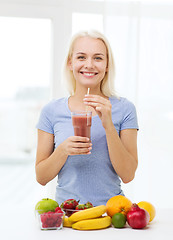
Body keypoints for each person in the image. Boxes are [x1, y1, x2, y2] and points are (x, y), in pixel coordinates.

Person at [35, 30, 139, 206]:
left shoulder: (124, 109)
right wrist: (62, 150)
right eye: (81, 57)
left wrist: (108, 126)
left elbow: (128, 175)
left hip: (112, 214)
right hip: (68, 215)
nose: (89, 65)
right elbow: (41, 177)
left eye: (98, 58)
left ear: (107, 65)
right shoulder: (51, 111)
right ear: (70, 63)